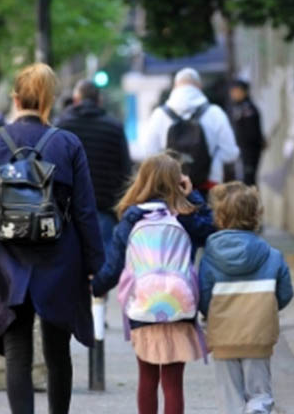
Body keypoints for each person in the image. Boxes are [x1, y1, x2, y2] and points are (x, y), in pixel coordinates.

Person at [0, 63, 105, 414]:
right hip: (60, 257)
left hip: (8, 259)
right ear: (48, 100)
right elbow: (86, 210)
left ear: (15, 97)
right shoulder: (67, 143)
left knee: (17, 353)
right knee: (58, 353)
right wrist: (94, 265)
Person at [91, 153, 214, 414]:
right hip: (179, 305)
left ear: (142, 180)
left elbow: (113, 269)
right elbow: (210, 229)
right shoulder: (185, 216)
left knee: (147, 379)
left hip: (143, 305)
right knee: (173, 383)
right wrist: (193, 196)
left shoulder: (130, 219)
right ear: (176, 182)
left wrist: (93, 288)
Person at [198, 182, 294, 414]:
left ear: (219, 217)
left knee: (229, 397)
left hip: (223, 335)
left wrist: (207, 316)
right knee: (260, 392)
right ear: (256, 215)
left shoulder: (210, 257)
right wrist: (267, 308)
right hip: (258, 334)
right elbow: (285, 293)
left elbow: (203, 296)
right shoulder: (272, 255)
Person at [56, 79, 133, 254]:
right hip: (104, 206)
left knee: (72, 262)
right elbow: (125, 170)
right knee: (103, 263)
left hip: (70, 208)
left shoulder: (61, 127)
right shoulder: (114, 128)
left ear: (76, 100)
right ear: (99, 100)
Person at [141, 67, 239, 193]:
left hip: (172, 188)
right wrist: (213, 163)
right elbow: (231, 153)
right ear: (199, 86)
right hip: (209, 186)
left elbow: (149, 153)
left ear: (175, 87)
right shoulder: (215, 113)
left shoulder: (159, 115)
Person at [227, 80, 265, 186]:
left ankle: (251, 202)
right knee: (242, 180)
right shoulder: (235, 108)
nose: (233, 94)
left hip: (249, 152)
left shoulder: (248, 109)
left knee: (249, 181)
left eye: (236, 91)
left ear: (243, 91)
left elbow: (253, 134)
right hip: (240, 151)